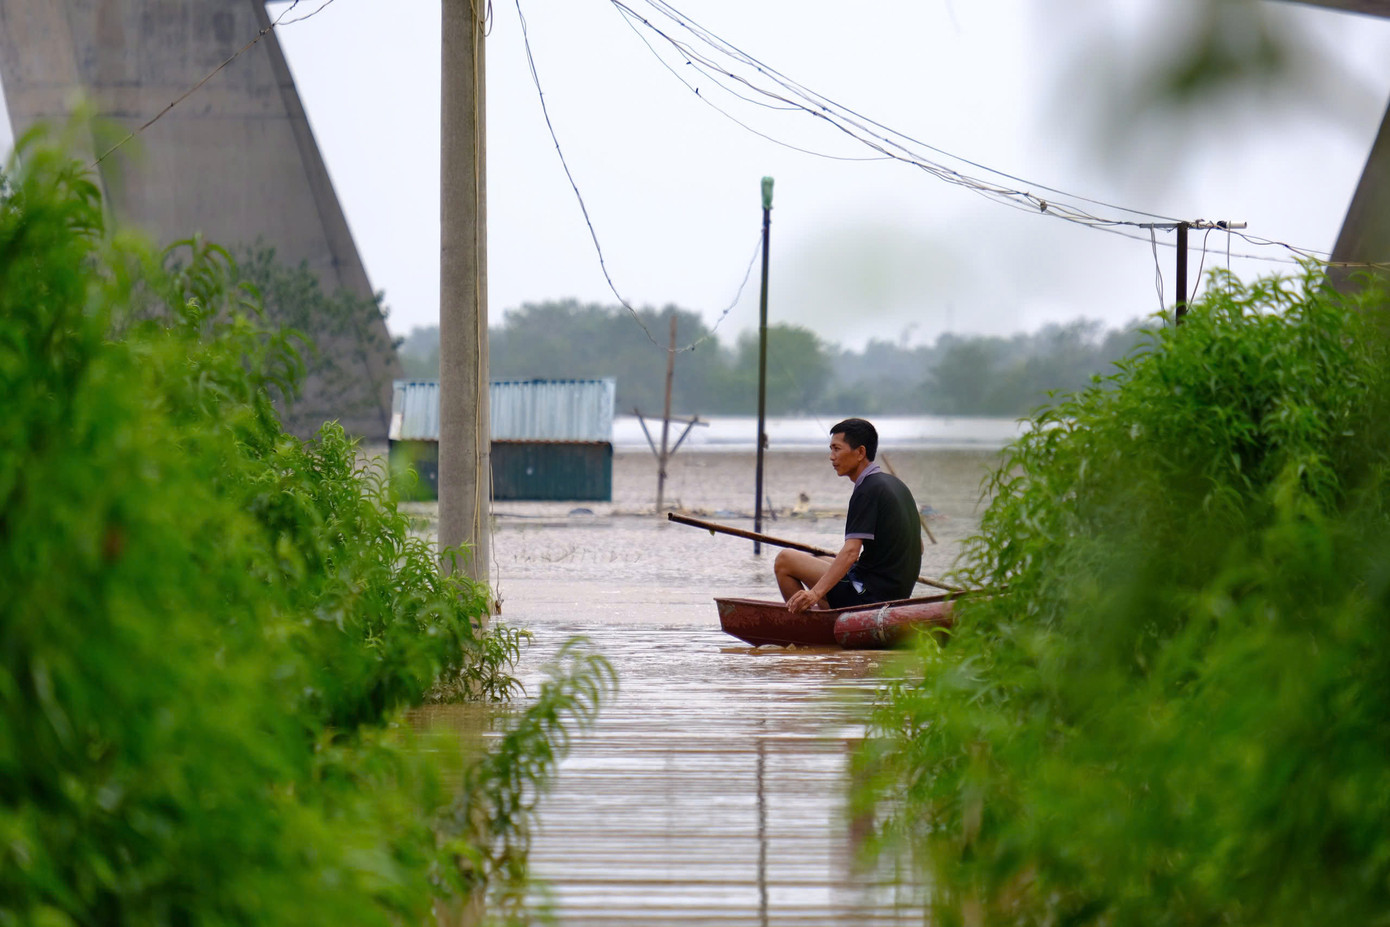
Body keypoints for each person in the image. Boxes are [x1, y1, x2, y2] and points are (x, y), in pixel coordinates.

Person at [775, 418, 922, 613]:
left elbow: (852, 552)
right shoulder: (895, 484)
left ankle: (807, 626)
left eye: (837, 449)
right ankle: (823, 610)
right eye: (831, 449)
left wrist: (815, 594)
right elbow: (919, 547)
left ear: (860, 452)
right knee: (818, 557)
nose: (831, 457)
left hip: (870, 596)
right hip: (892, 591)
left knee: (785, 560)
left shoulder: (867, 490)